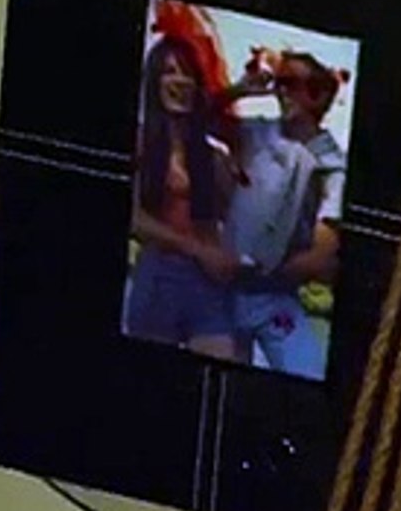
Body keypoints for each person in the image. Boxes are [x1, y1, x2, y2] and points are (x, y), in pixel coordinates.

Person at [218, 48, 348, 381]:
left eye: (291, 83)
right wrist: (241, 89)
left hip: (274, 297)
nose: (281, 91)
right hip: (224, 291)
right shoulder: (257, 132)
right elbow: (200, 118)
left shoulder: (333, 167)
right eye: (279, 82)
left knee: (307, 374)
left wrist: (257, 273)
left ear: (318, 95)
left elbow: (321, 252)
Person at [123, 34, 248, 363]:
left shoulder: (212, 156)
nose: (180, 81)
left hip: (207, 280)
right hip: (159, 275)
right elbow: (133, 218)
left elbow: (236, 218)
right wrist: (197, 249)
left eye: (187, 73)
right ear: (155, 83)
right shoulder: (141, 143)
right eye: (169, 72)